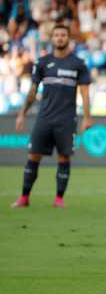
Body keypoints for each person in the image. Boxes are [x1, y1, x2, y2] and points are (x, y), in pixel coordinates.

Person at [12, 24, 93, 208]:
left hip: (67, 119)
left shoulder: (78, 64)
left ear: (68, 38)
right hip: (44, 118)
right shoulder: (42, 62)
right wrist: (22, 113)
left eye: (63, 35)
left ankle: (59, 198)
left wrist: (87, 117)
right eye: (56, 35)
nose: (59, 38)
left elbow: (85, 92)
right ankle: (24, 197)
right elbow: (33, 90)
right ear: (52, 38)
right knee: (33, 155)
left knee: (64, 158)